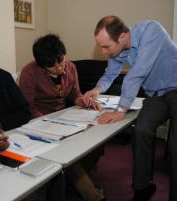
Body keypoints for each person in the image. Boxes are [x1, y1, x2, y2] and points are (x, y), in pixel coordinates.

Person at [84, 15, 177, 201]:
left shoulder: (152, 30)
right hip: (156, 94)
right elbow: (110, 74)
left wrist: (120, 110)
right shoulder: (117, 51)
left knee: (175, 148)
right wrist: (96, 89)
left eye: (105, 46)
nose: (103, 52)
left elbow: (137, 73)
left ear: (123, 37)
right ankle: (142, 188)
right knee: (140, 130)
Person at [19, 34, 106, 201]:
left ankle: (68, 181)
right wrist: (45, 122)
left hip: (64, 117)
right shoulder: (29, 72)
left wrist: (83, 101)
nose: (59, 67)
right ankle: (93, 196)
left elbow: (74, 93)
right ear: (41, 64)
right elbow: (27, 106)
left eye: (60, 61)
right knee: (67, 155)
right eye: (51, 65)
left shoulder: (71, 67)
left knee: (94, 140)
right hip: (39, 122)